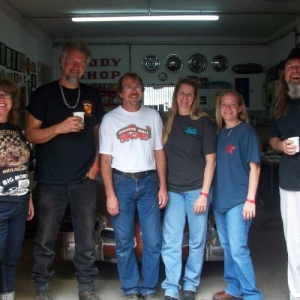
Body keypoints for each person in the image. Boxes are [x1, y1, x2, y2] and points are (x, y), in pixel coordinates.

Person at [25, 39, 105, 300]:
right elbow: (30, 134)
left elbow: (99, 137)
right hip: (51, 181)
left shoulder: (92, 96)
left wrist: (95, 166)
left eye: (81, 63)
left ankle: (86, 287)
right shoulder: (44, 94)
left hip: (84, 180)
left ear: (85, 68)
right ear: (61, 62)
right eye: (72, 60)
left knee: (85, 238)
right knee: (46, 238)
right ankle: (42, 287)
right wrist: (59, 127)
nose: (76, 66)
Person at [99, 72, 168, 300]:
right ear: (120, 92)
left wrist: (163, 186)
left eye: (138, 86)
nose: (134, 90)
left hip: (149, 182)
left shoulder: (153, 116)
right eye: (128, 87)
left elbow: (159, 153)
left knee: (153, 239)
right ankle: (130, 287)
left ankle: (148, 286)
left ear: (143, 91)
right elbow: (105, 160)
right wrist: (110, 194)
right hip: (121, 183)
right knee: (124, 240)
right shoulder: (110, 119)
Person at [160, 78, 216, 300]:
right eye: (181, 93)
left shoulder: (203, 122)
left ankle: (190, 285)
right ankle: (171, 288)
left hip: (196, 191)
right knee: (171, 241)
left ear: (195, 98)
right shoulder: (167, 121)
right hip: (173, 190)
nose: (185, 97)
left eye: (189, 94)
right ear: (175, 96)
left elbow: (211, 160)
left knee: (196, 240)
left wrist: (204, 193)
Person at [212, 90, 263, 300]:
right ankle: (234, 287)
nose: (228, 108)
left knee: (238, 248)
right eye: (224, 104)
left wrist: (250, 199)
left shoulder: (247, 132)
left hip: (239, 201)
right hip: (220, 200)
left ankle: (252, 294)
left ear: (240, 108)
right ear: (219, 108)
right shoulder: (218, 135)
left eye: (233, 104)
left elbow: (255, 168)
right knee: (228, 247)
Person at [269, 47, 300, 300]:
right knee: (295, 244)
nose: (295, 72)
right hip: (290, 184)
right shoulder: (279, 107)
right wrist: (280, 146)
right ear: (285, 76)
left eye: (299, 68)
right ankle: (296, 293)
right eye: (291, 68)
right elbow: (272, 138)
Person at [0, 78, 34, 300]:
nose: (2, 100)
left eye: (7, 95)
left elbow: (23, 167)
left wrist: (29, 197)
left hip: (20, 202)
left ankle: (7, 294)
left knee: (12, 257)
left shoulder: (16, 130)